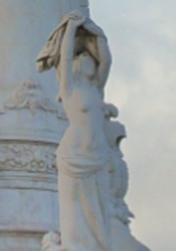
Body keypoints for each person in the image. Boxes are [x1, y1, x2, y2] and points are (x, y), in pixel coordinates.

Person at [53, 13, 114, 251]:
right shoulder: (70, 88)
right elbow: (65, 58)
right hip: (73, 158)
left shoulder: (97, 88)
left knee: (99, 217)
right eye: (82, 55)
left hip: (97, 158)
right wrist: (71, 28)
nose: (88, 58)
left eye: (90, 55)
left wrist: (98, 34)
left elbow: (107, 61)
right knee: (74, 216)